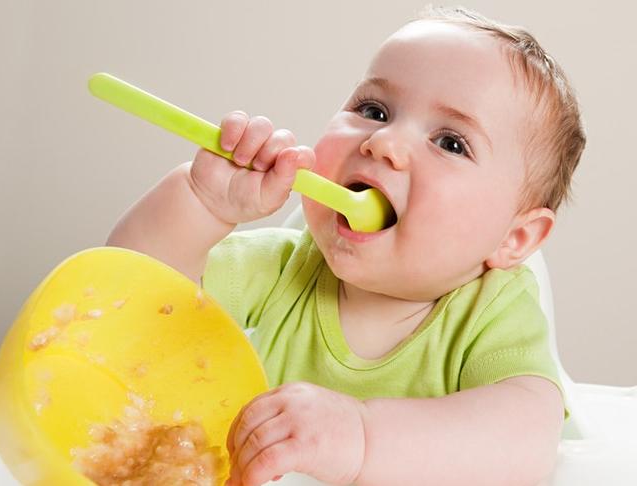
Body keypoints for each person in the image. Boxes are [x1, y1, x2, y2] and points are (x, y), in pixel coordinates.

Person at [106, 5, 586, 486]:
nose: (384, 142)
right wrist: (200, 203)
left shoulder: (493, 311)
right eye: (373, 110)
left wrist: (362, 436)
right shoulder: (286, 268)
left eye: (450, 142)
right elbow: (130, 300)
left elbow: (526, 439)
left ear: (513, 238)